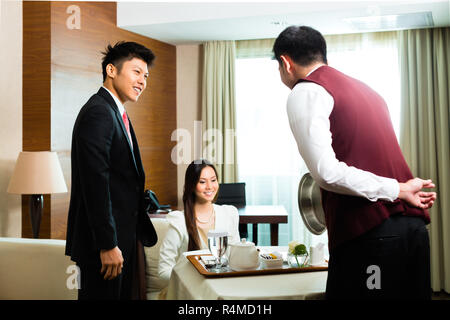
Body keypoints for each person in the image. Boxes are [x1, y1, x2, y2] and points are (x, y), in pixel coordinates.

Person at [273, 26, 437, 299]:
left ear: (285, 62)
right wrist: (401, 190)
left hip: (371, 237)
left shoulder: (306, 91)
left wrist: (398, 189)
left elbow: (326, 172)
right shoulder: (368, 91)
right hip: (413, 232)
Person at [65, 41, 158, 300]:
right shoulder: (99, 112)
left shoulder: (116, 112)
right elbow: (96, 184)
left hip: (121, 239)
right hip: (104, 246)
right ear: (111, 70)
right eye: (137, 72)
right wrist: (107, 245)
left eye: (146, 76)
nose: (143, 81)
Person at [158, 160, 240, 291]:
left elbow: (236, 258)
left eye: (213, 180)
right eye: (202, 182)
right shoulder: (179, 220)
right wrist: (194, 281)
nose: (209, 186)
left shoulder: (229, 213)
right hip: (189, 292)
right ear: (191, 185)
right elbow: (163, 271)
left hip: (222, 289)